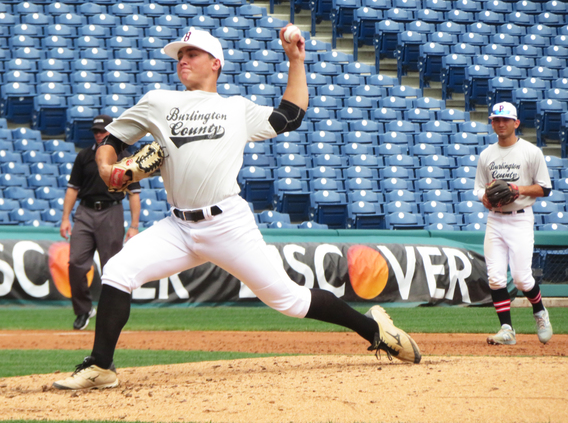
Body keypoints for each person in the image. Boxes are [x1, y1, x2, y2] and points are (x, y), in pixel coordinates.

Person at [52, 26, 420, 391]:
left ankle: (374, 330)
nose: (183, 60)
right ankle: (102, 366)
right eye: (179, 55)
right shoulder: (159, 101)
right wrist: (105, 166)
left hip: (227, 223)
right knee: (118, 269)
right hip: (178, 227)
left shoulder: (235, 108)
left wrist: (295, 61)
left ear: (215, 63)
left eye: (191, 54)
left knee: (288, 300)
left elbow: (290, 116)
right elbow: (114, 138)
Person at [474, 101, 553, 346]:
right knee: (496, 278)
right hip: (495, 219)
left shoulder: (531, 152)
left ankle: (539, 311)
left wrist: (517, 189)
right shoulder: (486, 155)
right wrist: (483, 197)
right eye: (496, 120)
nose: (500, 124)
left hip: (520, 219)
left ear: (516, 123)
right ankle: (506, 330)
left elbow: (545, 188)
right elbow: (478, 186)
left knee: (521, 279)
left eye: (505, 120)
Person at [60, 115, 142, 331]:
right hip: (85, 212)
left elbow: (134, 194)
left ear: (112, 132)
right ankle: (84, 310)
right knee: (76, 263)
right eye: (96, 131)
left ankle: (113, 314)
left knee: (112, 267)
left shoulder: (124, 158)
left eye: (103, 131)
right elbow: (72, 189)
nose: (98, 135)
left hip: (111, 211)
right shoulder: (84, 156)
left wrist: (134, 225)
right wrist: (65, 218)